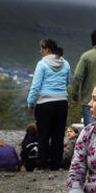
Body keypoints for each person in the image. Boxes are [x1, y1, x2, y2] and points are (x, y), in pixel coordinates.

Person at [27, 38, 71, 170]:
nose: (40, 51)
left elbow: (35, 87)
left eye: (41, 48)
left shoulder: (42, 64)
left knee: (44, 135)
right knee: (58, 135)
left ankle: (42, 164)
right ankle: (55, 164)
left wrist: (30, 102)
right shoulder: (66, 63)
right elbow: (67, 82)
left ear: (47, 49)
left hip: (45, 104)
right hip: (62, 103)